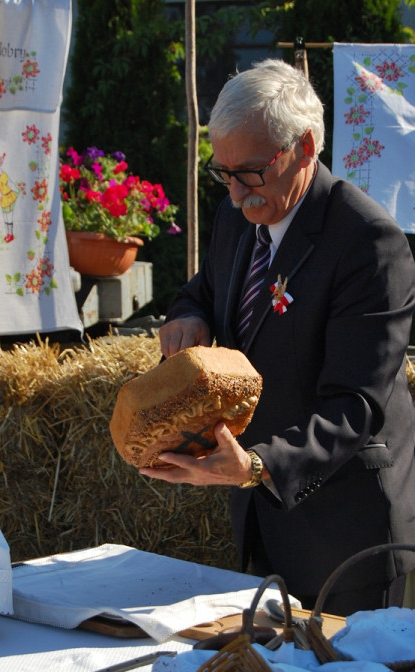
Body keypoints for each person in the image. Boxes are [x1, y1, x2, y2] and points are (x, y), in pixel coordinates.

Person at [140, 58, 415, 616]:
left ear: (306, 147)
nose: (238, 194)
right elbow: (206, 288)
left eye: (252, 172)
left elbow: (355, 403)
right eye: (224, 173)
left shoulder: (368, 243)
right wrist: (189, 316)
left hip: (346, 531)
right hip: (265, 521)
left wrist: (258, 466)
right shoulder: (237, 218)